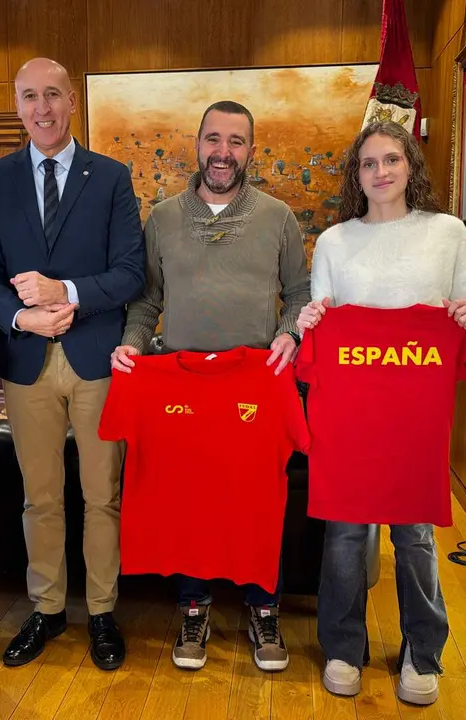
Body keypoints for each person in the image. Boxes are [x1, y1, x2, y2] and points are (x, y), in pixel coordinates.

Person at [111, 100, 311, 672]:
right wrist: (131, 340)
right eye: (214, 139)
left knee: (258, 499)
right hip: (184, 385)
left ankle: (263, 606)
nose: (224, 152)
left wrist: (290, 335)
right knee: (191, 499)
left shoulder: (278, 217)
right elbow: (147, 300)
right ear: (196, 144)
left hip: (254, 384)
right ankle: (194, 606)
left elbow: (299, 292)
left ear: (251, 149)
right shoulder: (163, 218)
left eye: (237, 141)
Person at [296, 120, 466, 706]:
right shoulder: (333, 242)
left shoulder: (447, 232)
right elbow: (321, 313)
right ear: (356, 175)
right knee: (346, 532)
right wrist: (308, 324)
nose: (380, 172)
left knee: (415, 533)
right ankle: (341, 647)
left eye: (391, 160)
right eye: (368, 163)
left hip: (414, 412)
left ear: (410, 166)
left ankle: (422, 653)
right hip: (351, 412)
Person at [0, 57, 145, 671]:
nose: (41, 108)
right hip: (25, 362)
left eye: (52, 95)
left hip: (95, 357)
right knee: (39, 498)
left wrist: (61, 293)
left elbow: (130, 273)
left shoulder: (112, 177)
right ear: (16, 105)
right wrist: (21, 318)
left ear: (72, 102)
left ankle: (100, 612)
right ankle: (45, 611)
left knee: (102, 496)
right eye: (28, 97)